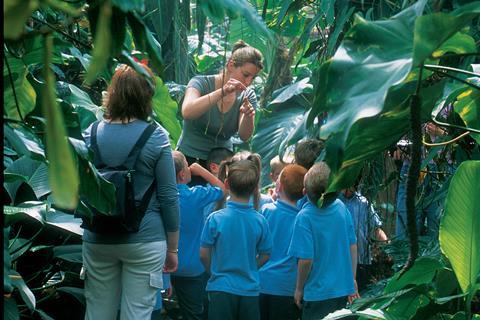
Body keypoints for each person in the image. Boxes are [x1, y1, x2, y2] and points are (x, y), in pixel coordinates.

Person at [81, 64, 179, 320]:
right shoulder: (156, 136)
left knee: (97, 313)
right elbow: (169, 196)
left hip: (98, 237)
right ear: (147, 95)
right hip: (145, 240)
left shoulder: (89, 133)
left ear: (112, 92)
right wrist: (173, 249)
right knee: (137, 315)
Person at [177, 40, 264, 185]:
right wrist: (222, 92)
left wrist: (249, 116)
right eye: (245, 75)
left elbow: (244, 135)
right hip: (189, 163)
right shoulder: (200, 83)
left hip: (221, 167)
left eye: (252, 78)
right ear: (230, 64)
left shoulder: (247, 95)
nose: (248, 82)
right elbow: (187, 111)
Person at [200, 155, 273, 320]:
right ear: (255, 188)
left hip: (221, 288)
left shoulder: (215, 219)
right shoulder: (260, 220)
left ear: (226, 184)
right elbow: (266, 254)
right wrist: (251, 266)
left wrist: (214, 272)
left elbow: (203, 254)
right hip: (249, 290)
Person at [288, 162, 359, 320]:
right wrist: (352, 279)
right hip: (343, 292)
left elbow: (306, 260)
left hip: (317, 296)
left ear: (305, 192)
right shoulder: (341, 208)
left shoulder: (304, 218)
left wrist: (299, 289)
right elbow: (352, 246)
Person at [171, 151, 225, 320]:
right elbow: (223, 190)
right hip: (192, 268)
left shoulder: (159, 196)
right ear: (182, 174)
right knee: (193, 313)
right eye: (187, 167)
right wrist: (201, 170)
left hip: (164, 267)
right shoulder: (195, 195)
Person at [259, 164, 308, 320]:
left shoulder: (266, 210)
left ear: (278, 186)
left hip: (261, 283)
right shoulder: (303, 218)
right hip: (287, 288)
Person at [339, 186, 388, 292]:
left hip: (361, 260)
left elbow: (376, 228)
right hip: (340, 262)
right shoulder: (335, 202)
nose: (347, 189)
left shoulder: (363, 202)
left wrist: (387, 244)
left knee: (361, 298)